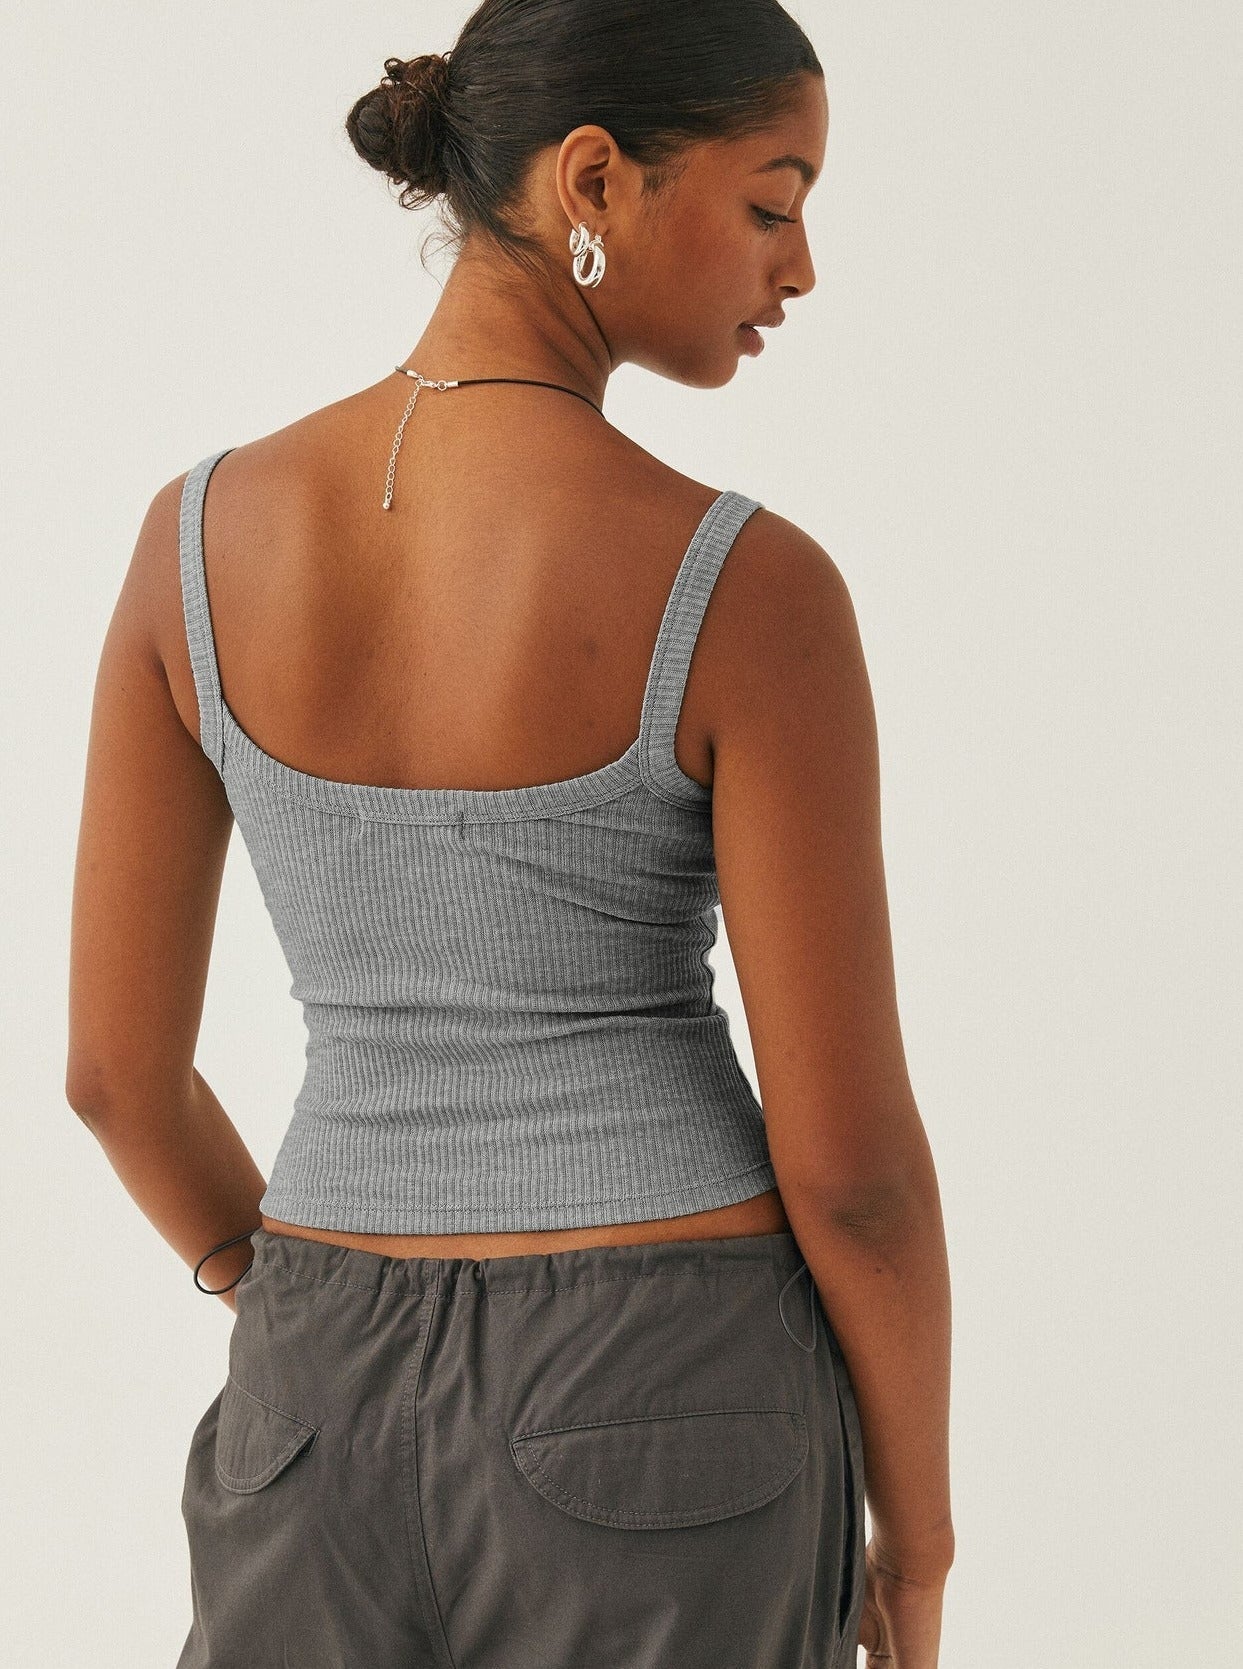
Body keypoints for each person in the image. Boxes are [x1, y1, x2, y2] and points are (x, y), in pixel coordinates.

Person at [67, 3, 953, 1665]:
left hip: (312, 1391)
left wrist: (293, 1299)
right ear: (594, 180)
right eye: (772, 202)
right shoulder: (747, 590)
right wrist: (919, 1538)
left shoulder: (189, 544)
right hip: (671, 1389)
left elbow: (116, 1074)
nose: (801, 267)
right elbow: (853, 1175)